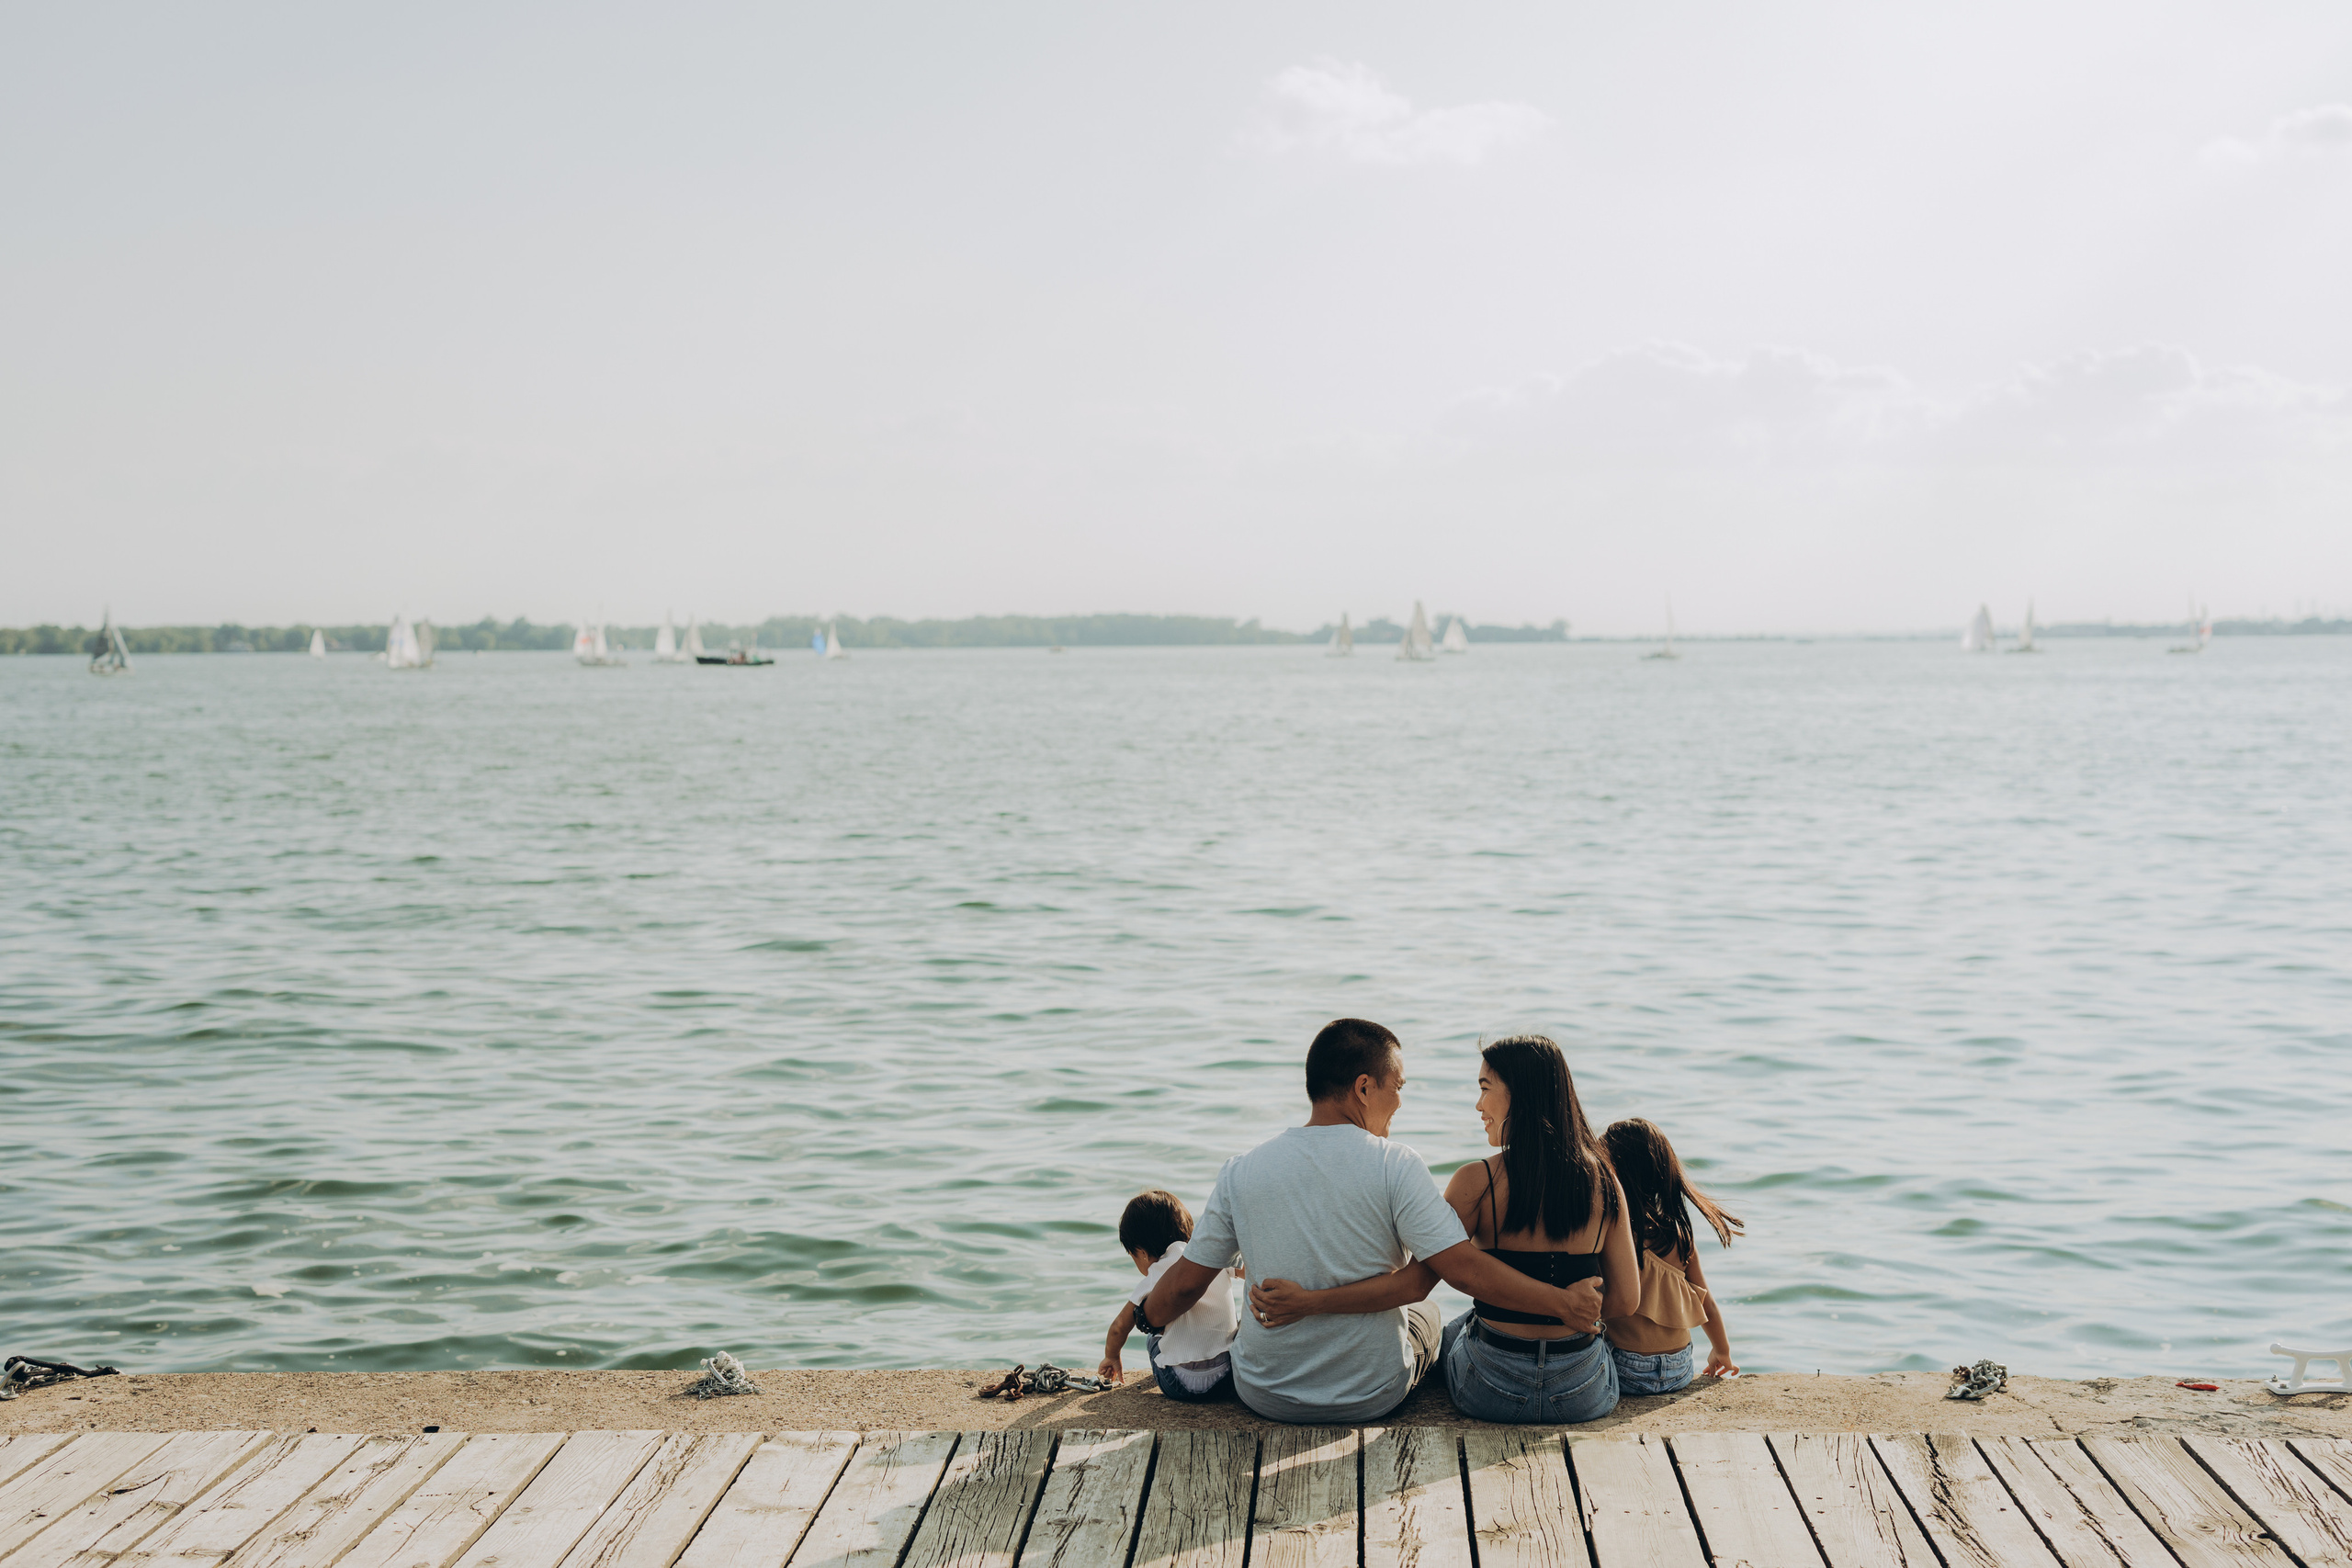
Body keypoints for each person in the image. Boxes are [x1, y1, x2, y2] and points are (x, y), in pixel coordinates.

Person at [1141, 1019, 1608, 1424]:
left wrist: (1145, 1316)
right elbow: (1457, 1271)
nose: (1400, 1102)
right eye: (1397, 1086)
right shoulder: (1396, 1165)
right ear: (1364, 1088)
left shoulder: (1241, 1170)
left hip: (1265, 1394)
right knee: (1429, 1314)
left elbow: (1185, 1286)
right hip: (1373, 1394)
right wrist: (1564, 1304)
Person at [1250, 1034, 1639, 1425]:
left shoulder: (1478, 1181)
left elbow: (1416, 1284)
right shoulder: (1605, 1182)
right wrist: (1574, 1309)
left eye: (1485, 1089)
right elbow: (1625, 1300)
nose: (1479, 1105)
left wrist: (1309, 1302)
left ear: (1521, 1095)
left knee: (1450, 1329)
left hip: (1492, 1389)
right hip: (1580, 1393)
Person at [1600, 1117, 1742, 1393]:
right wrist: (1721, 1352)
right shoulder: (1679, 1235)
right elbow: (1708, 1304)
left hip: (1627, 1369)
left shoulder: (1614, 1234)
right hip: (1680, 1368)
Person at [1096, 1188, 1236, 1401]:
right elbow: (1247, 1270)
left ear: (1142, 1253)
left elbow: (1119, 1327)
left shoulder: (1157, 1273)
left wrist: (1111, 1356)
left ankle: (1171, 1361)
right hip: (1227, 1378)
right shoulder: (1210, 1259)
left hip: (1180, 1384)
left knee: (1152, 1337)